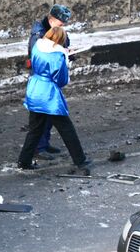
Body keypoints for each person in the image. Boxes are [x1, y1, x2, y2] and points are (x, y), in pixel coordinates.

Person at [17, 26, 91, 174]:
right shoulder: (58, 55)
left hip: (34, 89)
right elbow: (61, 79)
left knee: (35, 129)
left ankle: (24, 161)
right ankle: (80, 160)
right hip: (49, 95)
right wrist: (65, 59)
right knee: (66, 128)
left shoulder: (37, 46)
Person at [27, 4, 72, 161]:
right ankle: (38, 148)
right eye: (61, 23)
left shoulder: (51, 30)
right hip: (43, 80)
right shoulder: (39, 33)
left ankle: (43, 145)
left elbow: (62, 44)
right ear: (52, 20)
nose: (63, 26)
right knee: (43, 117)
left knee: (46, 117)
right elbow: (39, 55)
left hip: (49, 80)